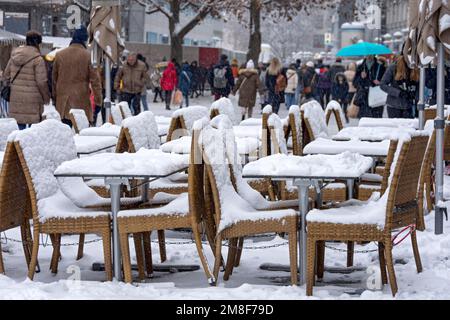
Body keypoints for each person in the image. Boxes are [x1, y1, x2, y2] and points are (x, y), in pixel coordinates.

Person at [53, 26, 101, 127]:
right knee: (81, 134)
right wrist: (98, 101)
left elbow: (54, 79)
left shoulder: (59, 55)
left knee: (65, 131)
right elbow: (95, 81)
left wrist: (55, 98)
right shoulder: (88, 56)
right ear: (84, 40)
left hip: (63, 102)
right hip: (81, 101)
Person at [3, 30, 50, 129]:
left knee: (19, 127)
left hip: (16, 98)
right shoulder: (38, 59)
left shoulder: (14, 55)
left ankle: (19, 143)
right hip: (33, 100)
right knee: (33, 130)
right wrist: (46, 97)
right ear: (38, 43)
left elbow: (6, 76)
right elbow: (41, 82)